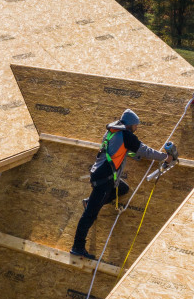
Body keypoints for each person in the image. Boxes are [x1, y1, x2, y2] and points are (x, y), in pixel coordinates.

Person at [70, 109, 174, 260]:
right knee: (90, 215)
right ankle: (77, 247)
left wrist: (135, 155)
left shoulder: (112, 131)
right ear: (130, 125)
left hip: (100, 174)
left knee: (123, 189)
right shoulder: (126, 135)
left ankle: (89, 202)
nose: (136, 128)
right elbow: (144, 150)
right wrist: (165, 157)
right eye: (136, 126)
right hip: (104, 179)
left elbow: (117, 150)